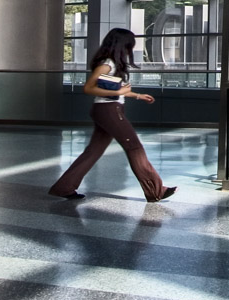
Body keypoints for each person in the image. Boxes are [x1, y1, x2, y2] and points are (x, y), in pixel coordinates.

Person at [49, 28, 175, 202]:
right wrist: (120, 92)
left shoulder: (111, 63)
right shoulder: (107, 64)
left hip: (107, 110)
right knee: (135, 148)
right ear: (122, 45)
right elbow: (88, 88)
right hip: (109, 111)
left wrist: (136, 95)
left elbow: (112, 89)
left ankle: (64, 188)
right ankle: (156, 191)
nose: (130, 49)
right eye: (129, 45)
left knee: (93, 151)